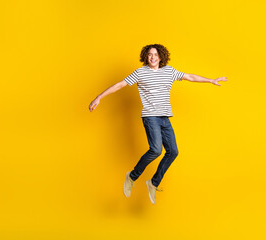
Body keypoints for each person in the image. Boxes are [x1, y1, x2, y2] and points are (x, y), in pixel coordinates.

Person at [89, 44, 227, 204]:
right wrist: (99, 97)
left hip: (164, 117)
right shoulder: (140, 73)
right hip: (150, 116)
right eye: (149, 55)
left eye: (155, 54)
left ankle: (153, 183)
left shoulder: (169, 71)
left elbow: (190, 77)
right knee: (155, 149)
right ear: (145, 57)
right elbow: (120, 84)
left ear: (161, 56)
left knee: (173, 151)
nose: (152, 57)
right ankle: (132, 176)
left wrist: (211, 80)